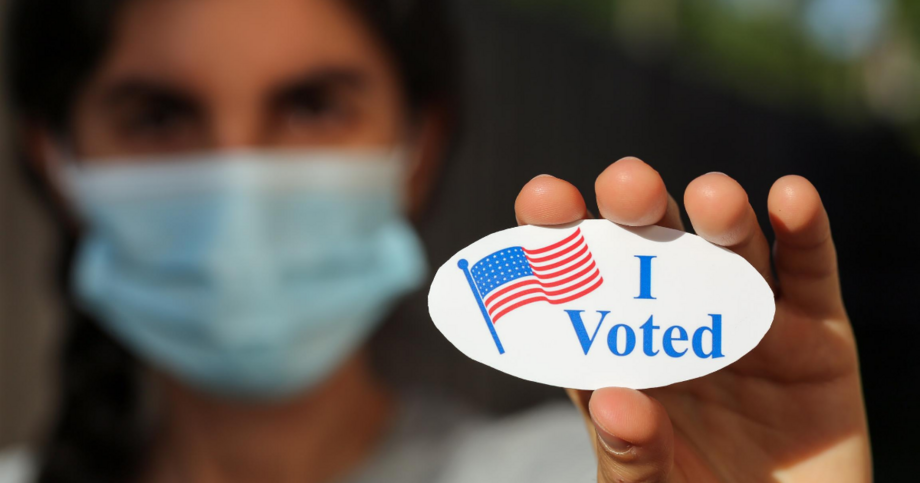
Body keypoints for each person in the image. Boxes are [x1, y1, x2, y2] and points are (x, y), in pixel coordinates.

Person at [0, 0, 870, 482]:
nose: (241, 178)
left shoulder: (611, 469)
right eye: (158, 115)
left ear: (419, 147)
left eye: (311, 105)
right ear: (57, 158)